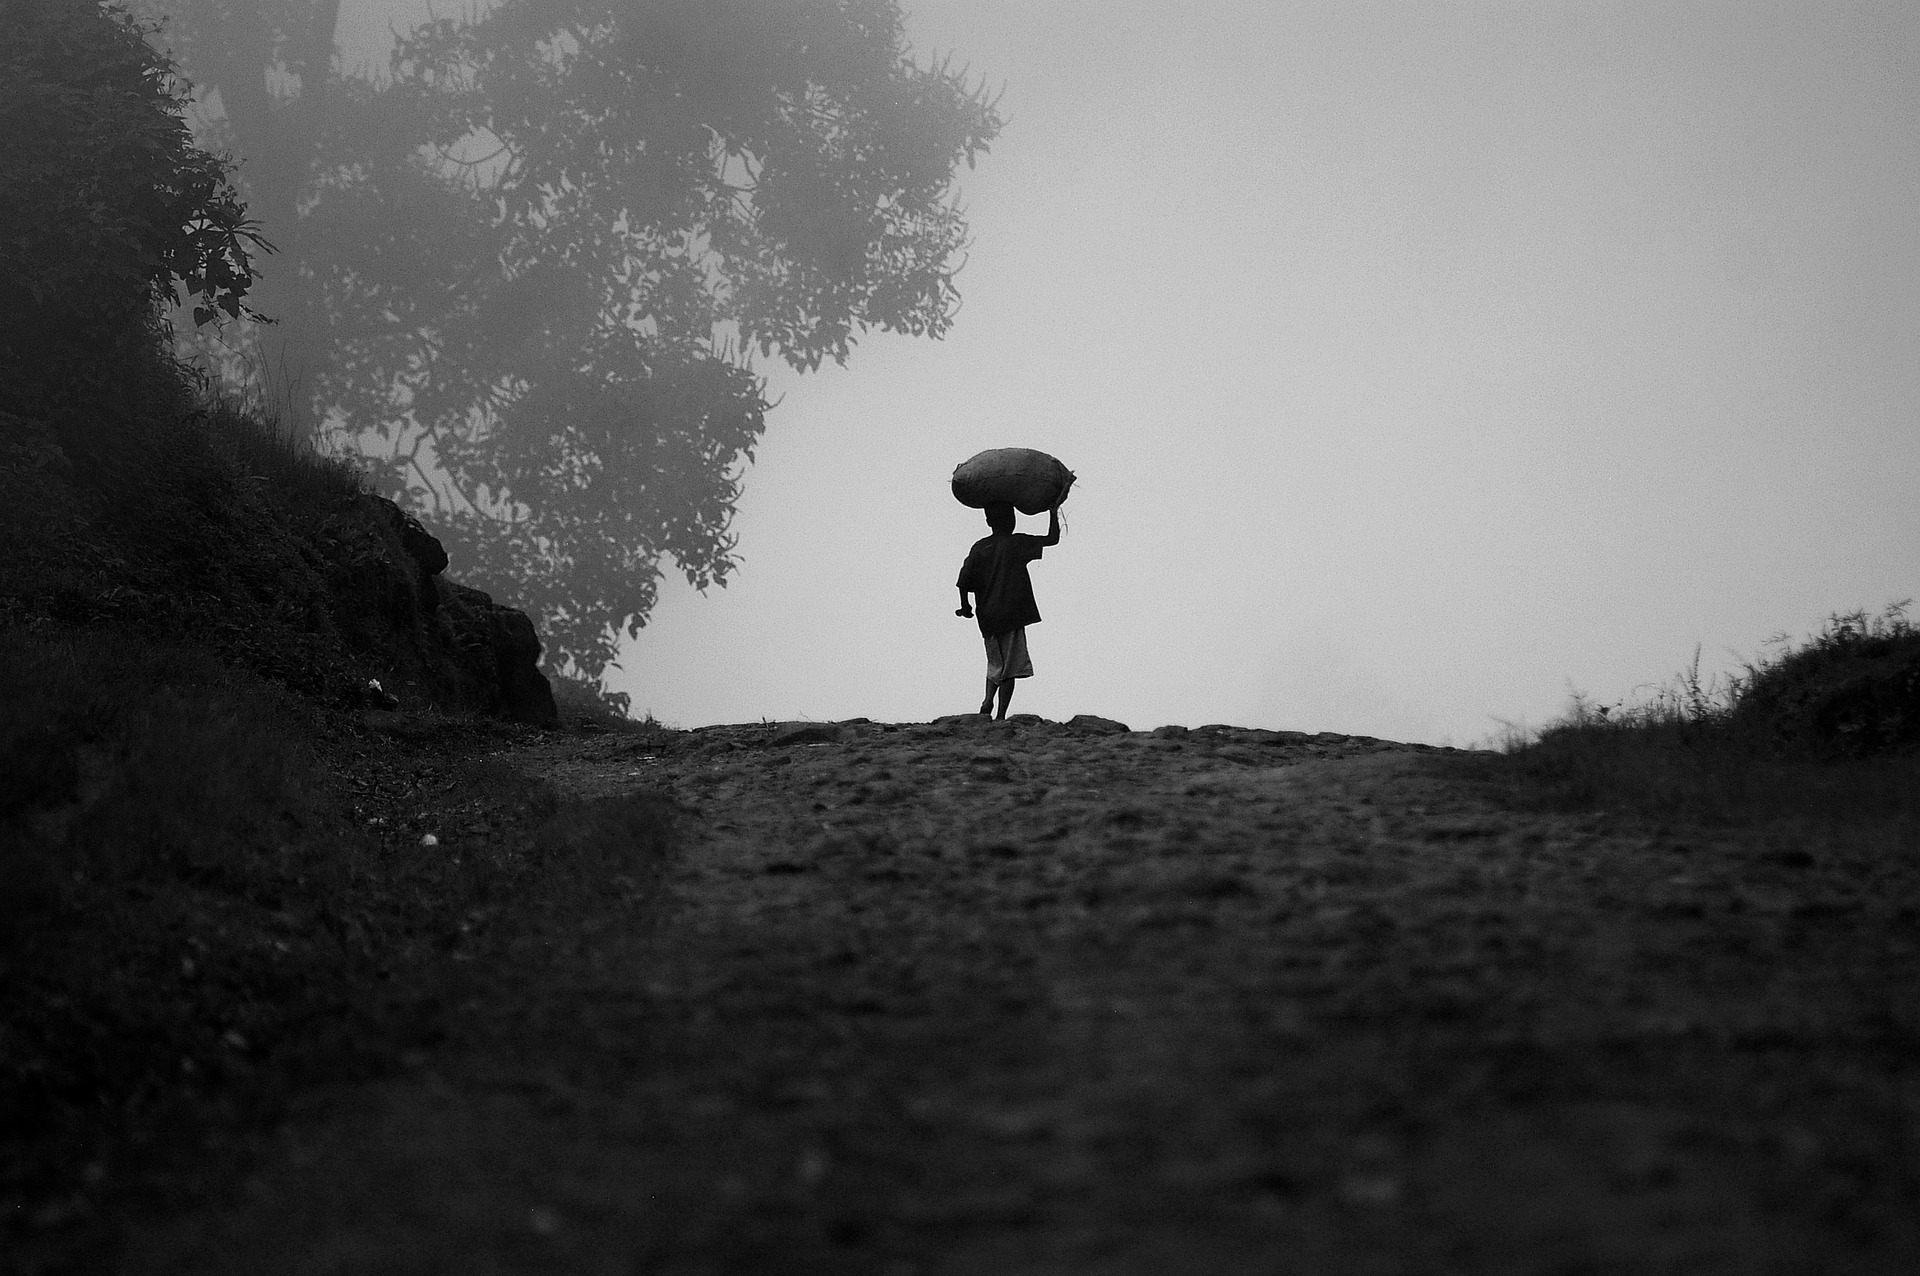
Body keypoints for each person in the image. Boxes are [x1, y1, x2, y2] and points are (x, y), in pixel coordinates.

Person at [955, 500, 1060, 719]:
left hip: (987, 617)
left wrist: (965, 606)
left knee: (995, 663)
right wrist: (1053, 511)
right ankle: (1001, 715)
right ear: (1012, 520)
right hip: (1012, 614)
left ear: (988, 521)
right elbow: (1052, 539)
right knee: (1010, 667)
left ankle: (986, 701)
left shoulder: (979, 547)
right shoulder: (1017, 544)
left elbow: (964, 580)